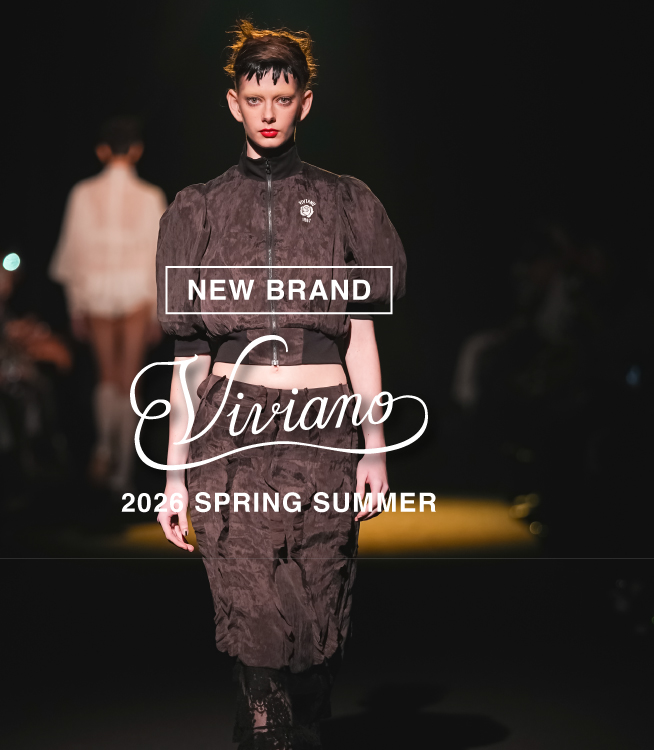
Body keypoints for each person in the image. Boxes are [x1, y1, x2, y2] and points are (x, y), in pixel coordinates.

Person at [155, 22, 407, 749]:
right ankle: (266, 725)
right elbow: (189, 354)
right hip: (230, 425)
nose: (269, 112)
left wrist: (376, 446)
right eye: (255, 97)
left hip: (324, 423)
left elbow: (361, 335)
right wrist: (174, 475)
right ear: (234, 102)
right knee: (251, 609)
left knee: (318, 608)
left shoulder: (345, 202)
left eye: (283, 97)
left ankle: (299, 710)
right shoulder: (198, 209)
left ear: (306, 102)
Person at [49, 117, 168, 493]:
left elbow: (74, 253)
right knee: (131, 380)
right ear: (137, 150)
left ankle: (104, 445)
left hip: (96, 292)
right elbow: (158, 257)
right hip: (136, 293)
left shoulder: (83, 193)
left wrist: (75, 306)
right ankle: (122, 473)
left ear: (102, 150)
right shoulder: (150, 196)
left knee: (107, 377)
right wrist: (157, 312)